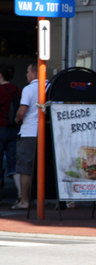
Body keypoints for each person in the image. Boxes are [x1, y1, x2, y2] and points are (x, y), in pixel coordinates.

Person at [12, 64, 44, 210]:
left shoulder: (29, 89)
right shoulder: (51, 87)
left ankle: (24, 200)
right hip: (47, 133)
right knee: (48, 167)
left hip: (30, 132)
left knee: (25, 168)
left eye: (28, 72)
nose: (26, 75)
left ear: (35, 73)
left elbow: (21, 112)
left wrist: (17, 119)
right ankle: (57, 201)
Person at [0, 63, 20, 207]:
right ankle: (20, 194)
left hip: (0, 128)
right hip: (14, 129)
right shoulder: (18, 90)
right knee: (13, 162)